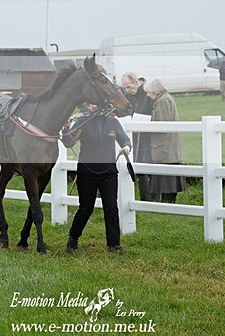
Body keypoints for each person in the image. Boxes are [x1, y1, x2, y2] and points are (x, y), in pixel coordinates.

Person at [63, 102, 132, 253]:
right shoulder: (82, 121)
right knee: (86, 208)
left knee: (111, 207)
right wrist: (66, 126)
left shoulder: (113, 122)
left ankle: (114, 244)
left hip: (108, 171)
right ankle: (73, 238)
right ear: (88, 105)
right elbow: (68, 142)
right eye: (92, 103)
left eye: (98, 103)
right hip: (87, 171)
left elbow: (125, 140)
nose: (96, 106)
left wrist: (126, 147)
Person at [144, 78, 186, 203]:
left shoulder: (162, 101)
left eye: (149, 91)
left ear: (156, 90)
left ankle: (167, 203)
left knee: (167, 180)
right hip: (168, 146)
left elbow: (161, 124)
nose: (147, 94)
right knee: (168, 178)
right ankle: (168, 202)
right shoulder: (166, 98)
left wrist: (146, 124)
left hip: (164, 146)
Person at [121, 72, 155, 201]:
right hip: (134, 136)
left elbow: (151, 111)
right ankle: (144, 198)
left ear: (137, 82)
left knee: (147, 166)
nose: (127, 90)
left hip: (147, 136)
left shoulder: (147, 93)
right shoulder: (130, 95)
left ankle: (151, 197)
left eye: (129, 87)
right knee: (138, 166)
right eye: (125, 88)